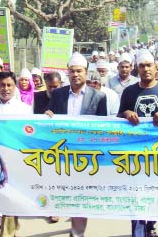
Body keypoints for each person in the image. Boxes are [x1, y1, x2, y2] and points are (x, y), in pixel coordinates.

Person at [118, 50, 158, 237]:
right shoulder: (129, 92)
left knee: (156, 193)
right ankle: (137, 231)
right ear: (136, 69)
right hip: (135, 153)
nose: (146, 69)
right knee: (136, 193)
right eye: (142, 66)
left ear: (156, 67)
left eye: (149, 65)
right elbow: (120, 115)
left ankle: (151, 225)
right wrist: (127, 113)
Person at [45, 52, 107, 237]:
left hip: (87, 156)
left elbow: (103, 128)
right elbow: (49, 118)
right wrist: (47, 115)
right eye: (71, 71)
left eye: (79, 71)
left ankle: (77, 233)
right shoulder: (57, 95)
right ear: (67, 73)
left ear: (86, 73)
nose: (75, 74)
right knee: (67, 193)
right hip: (63, 155)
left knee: (82, 195)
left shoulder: (99, 97)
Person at [0, 71, 32, 236]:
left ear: (14, 86)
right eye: (2, 85)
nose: (5, 88)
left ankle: (8, 231)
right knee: (1, 196)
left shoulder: (23, 109)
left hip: (16, 159)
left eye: (9, 85)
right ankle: (10, 228)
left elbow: (29, 133)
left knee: (11, 197)